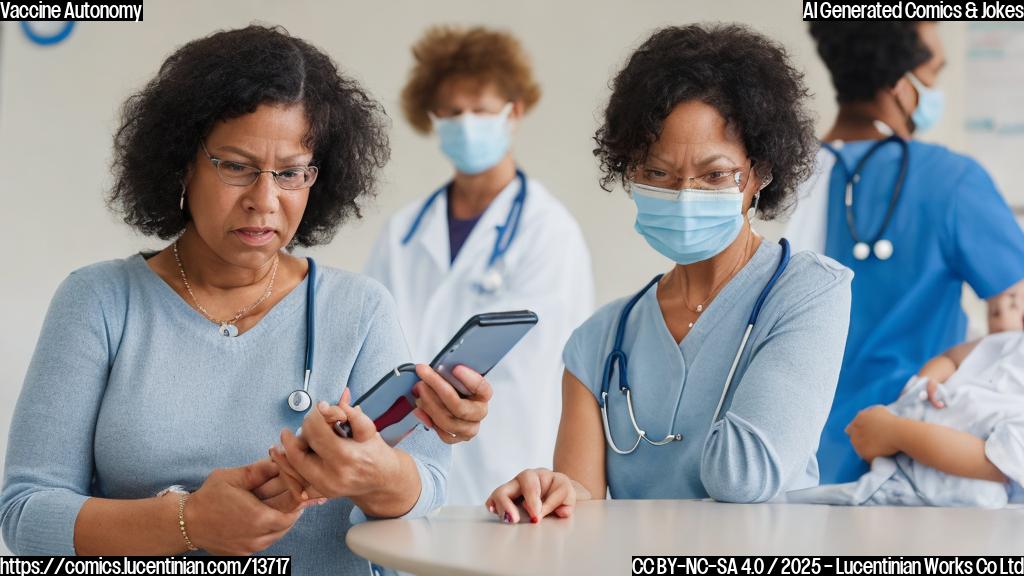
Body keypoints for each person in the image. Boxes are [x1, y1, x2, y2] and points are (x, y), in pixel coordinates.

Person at [0, 26, 491, 575]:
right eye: (236, 167)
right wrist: (188, 522)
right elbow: (26, 515)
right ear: (183, 163)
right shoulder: (98, 303)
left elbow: (426, 489)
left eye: (289, 174)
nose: (264, 200)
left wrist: (376, 476)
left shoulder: (359, 309)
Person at [486, 24, 853, 523]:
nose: (684, 195)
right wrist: (548, 489)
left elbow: (745, 478)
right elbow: (581, 508)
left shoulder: (809, 292)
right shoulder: (598, 341)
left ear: (760, 174)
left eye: (715, 174)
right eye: (657, 173)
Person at [365, 25, 594, 506]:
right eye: (452, 112)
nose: (467, 123)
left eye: (482, 110)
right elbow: (374, 349)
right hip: (405, 470)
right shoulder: (405, 232)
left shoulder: (547, 231)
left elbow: (539, 371)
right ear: (432, 118)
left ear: (514, 112)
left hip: (505, 467)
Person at [786, 22, 1024, 484]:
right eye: (933, 73)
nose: (937, 89)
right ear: (900, 85)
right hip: (909, 461)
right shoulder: (949, 181)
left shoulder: (781, 177)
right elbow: (1015, 307)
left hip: (788, 460)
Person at [787, 317, 1024, 507]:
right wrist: (924, 384)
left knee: (790, 510)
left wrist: (894, 432)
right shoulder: (1009, 344)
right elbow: (952, 358)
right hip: (891, 447)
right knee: (786, 504)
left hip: (927, 494)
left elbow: (995, 464)